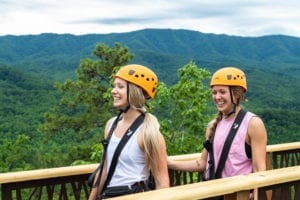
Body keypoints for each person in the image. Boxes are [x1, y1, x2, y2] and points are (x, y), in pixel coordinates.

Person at [167, 67, 267, 200]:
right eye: (214, 92)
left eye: (222, 92)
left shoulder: (253, 124)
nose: (217, 97)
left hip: (239, 195)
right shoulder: (213, 125)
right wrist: (169, 163)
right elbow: (202, 163)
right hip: (214, 193)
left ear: (237, 94)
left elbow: (260, 170)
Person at [89, 64, 169, 200]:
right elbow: (104, 169)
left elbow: (162, 183)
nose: (113, 91)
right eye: (114, 86)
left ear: (134, 92)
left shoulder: (148, 132)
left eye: (120, 87)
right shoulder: (111, 125)